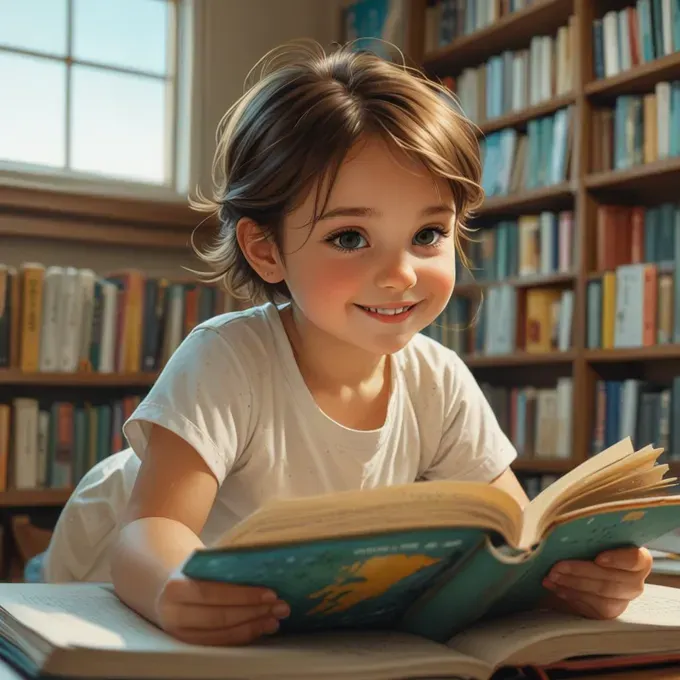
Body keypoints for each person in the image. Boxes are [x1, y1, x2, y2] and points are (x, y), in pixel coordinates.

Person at [42, 40, 652, 646]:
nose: (402, 273)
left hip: (292, 619)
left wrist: (579, 579)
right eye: (351, 238)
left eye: (428, 233)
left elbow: (512, 542)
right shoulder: (226, 357)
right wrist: (172, 589)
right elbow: (149, 529)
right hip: (118, 586)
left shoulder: (438, 378)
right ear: (266, 249)